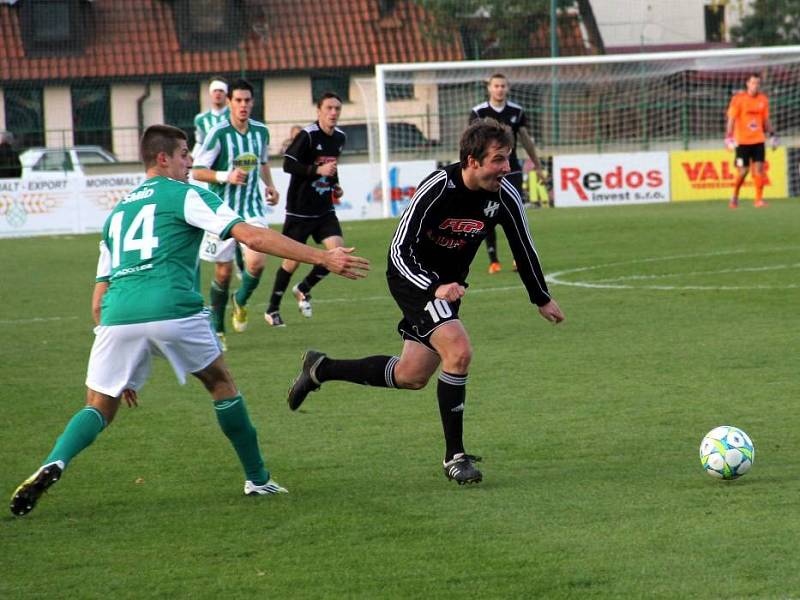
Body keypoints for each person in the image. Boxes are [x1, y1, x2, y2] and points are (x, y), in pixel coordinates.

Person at [9, 124, 369, 517]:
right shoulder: (187, 195)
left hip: (117, 316)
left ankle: (56, 461)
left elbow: (98, 299)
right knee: (220, 383)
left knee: (98, 404)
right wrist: (322, 258)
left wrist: (125, 366)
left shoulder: (117, 214)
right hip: (174, 309)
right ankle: (258, 478)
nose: (189, 161)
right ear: (163, 158)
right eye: (184, 154)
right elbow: (251, 236)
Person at [284, 119, 564, 486]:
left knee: (411, 375)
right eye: (498, 160)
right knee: (459, 350)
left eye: (508, 158)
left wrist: (540, 298)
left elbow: (522, 245)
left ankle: (321, 369)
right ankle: (455, 457)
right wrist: (434, 286)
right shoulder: (438, 187)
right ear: (472, 161)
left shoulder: (505, 194)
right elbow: (399, 250)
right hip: (412, 279)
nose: (506, 168)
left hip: (446, 289)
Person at [192, 79, 280, 349]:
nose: (243, 105)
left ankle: (240, 301)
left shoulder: (261, 132)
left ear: (253, 103)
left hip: (252, 209)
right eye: (238, 100)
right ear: (230, 102)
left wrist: (271, 186)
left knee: (257, 261)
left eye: (247, 100)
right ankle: (217, 328)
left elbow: (263, 162)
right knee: (223, 273)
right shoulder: (218, 133)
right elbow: (196, 170)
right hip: (220, 212)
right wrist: (225, 176)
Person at [263, 92, 347, 326]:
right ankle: (272, 309)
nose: (333, 113)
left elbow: (331, 166)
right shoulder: (307, 136)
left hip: (324, 209)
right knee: (292, 261)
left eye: (337, 109)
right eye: (329, 108)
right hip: (300, 210)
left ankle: (303, 287)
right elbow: (289, 164)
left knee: (338, 254)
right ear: (319, 111)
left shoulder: (339, 137)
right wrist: (316, 172)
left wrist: (335, 185)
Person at [469, 73, 546, 273]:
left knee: (514, 214)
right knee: (488, 214)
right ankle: (493, 260)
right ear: (489, 88)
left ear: (508, 88)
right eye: (496, 86)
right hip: (486, 173)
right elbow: (471, 144)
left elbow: (526, 140)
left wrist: (537, 165)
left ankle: (517, 259)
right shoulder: (479, 112)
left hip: (511, 172)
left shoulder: (517, 111)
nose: (500, 89)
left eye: (503, 85)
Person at [725, 73, 776, 209]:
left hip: (758, 140)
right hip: (742, 142)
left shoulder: (763, 100)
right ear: (747, 83)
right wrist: (729, 137)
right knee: (743, 171)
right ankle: (735, 195)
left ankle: (758, 200)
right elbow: (731, 119)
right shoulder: (738, 99)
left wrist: (772, 135)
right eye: (753, 83)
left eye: (758, 83)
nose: (756, 86)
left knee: (759, 170)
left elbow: (766, 120)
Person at [192, 77, 230, 157]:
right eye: (215, 91)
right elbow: (200, 142)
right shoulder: (201, 119)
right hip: (210, 162)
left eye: (221, 91)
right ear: (210, 93)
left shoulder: (234, 116)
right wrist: (193, 158)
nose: (218, 93)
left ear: (226, 94)